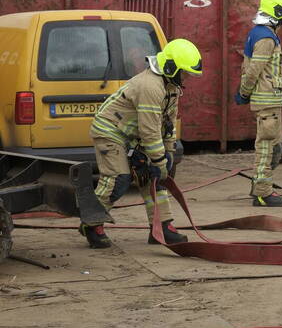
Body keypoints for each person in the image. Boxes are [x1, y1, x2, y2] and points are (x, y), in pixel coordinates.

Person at [78, 39, 202, 248]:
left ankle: (162, 228)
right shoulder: (150, 86)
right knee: (118, 179)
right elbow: (149, 130)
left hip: (134, 134)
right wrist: (159, 160)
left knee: (154, 178)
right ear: (171, 67)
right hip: (111, 130)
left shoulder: (172, 86)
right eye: (185, 72)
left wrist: (168, 153)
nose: (187, 77)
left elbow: (167, 124)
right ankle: (92, 223)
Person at [235, 0, 282, 207]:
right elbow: (253, 70)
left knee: (274, 148)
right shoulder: (266, 38)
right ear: (276, 10)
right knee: (267, 149)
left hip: (270, 101)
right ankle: (263, 192)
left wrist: (245, 92)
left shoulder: (259, 33)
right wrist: (244, 92)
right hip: (267, 102)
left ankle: (261, 187)